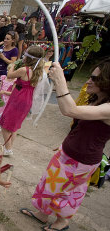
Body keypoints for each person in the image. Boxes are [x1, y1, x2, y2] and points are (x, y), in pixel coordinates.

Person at [18, 58, 110, 231]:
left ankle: (62, 222)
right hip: (69, 152)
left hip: (82, 160)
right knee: (49, 185)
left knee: (67, 192)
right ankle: (42, 214)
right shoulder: (96, 99)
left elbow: (70, 110)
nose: (89, 81)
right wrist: (65, 143)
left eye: (95, 79)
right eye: (91, 76)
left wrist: (60, 80)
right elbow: (80, 125)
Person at [0, 45, 45, 156]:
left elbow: (9, 75)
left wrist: (12, 66)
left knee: (5, 124)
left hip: (18, 99)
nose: (23, 57)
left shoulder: (24, 70)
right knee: (14, 126)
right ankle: (8, 146)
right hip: (27, 100)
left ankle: (8, 149)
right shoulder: (39, 72)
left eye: (25, 55)